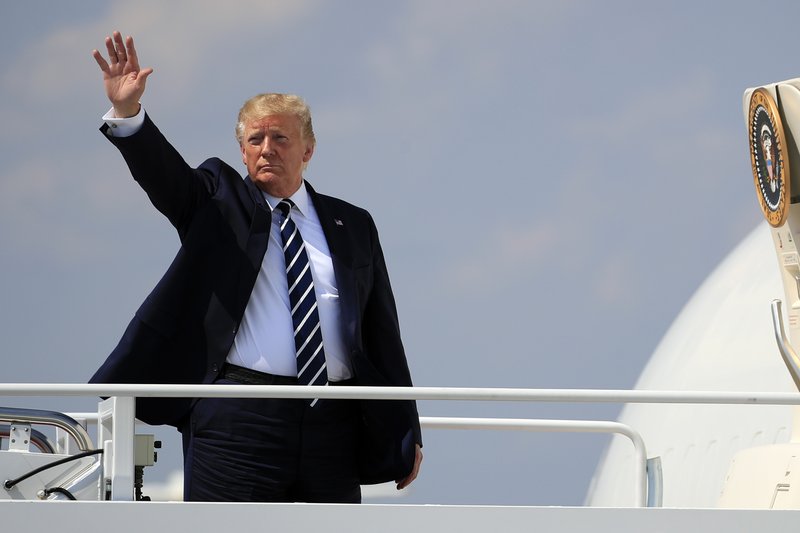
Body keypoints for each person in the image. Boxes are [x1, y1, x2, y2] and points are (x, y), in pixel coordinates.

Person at [89, 31, 422, 502]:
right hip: (237, 419)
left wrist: (407, 431)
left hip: (333, 422)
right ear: (243, 152)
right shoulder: (217, 201)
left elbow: (382, 331)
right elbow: (166, 179)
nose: (267, 148)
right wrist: (129, 115)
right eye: (255, 139)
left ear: (307, 150)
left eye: (280, 137)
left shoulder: (353, 224)